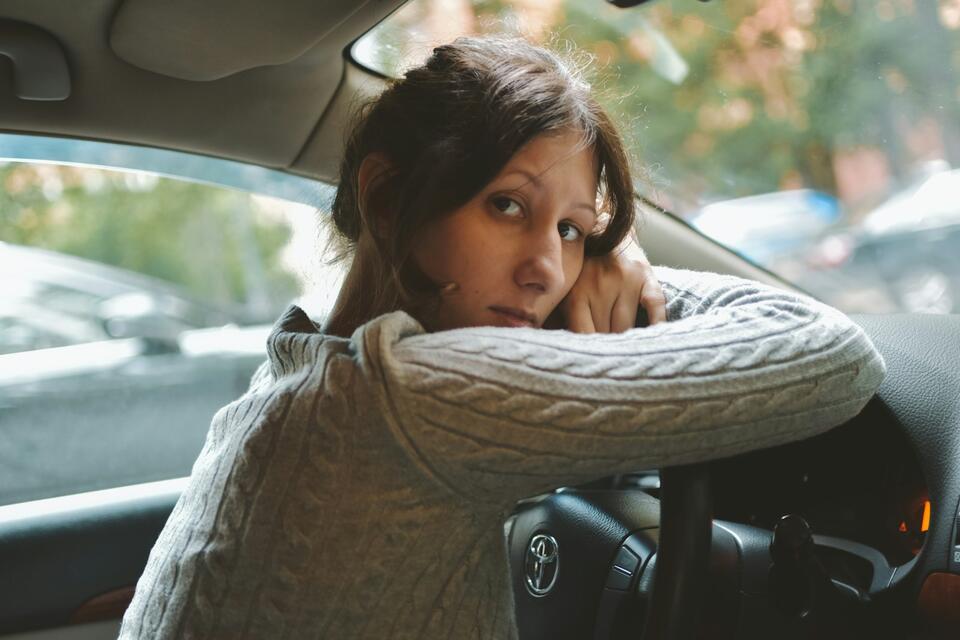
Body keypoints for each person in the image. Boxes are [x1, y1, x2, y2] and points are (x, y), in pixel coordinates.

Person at [119, 36, 886, 639]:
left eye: (572, 231)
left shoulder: (300, 368)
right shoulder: (409, 395)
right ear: (386, 200)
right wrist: (638, 274)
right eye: (508, 207)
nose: (547, 270)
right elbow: (833, 353)